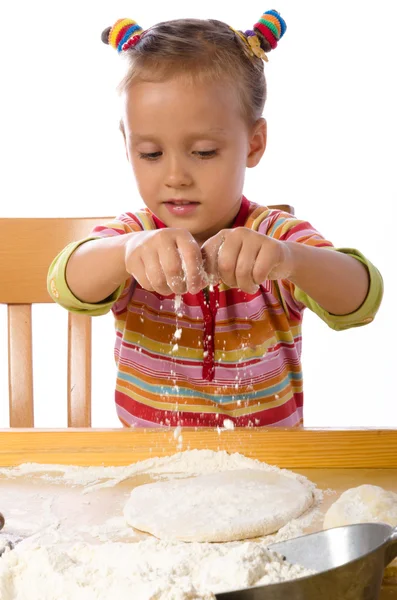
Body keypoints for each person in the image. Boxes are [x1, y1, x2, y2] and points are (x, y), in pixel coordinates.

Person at [48, 11, 383, 428]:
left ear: (254, 144)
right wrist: (124, 253)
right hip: (148, 472)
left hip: (268, 475)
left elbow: (360, 299)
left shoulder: (274, 235)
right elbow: (66, 284)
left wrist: (289, 259)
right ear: (127, 145)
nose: (175, 177)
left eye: (204, 152)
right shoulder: (134, 236)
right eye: (150, 154)